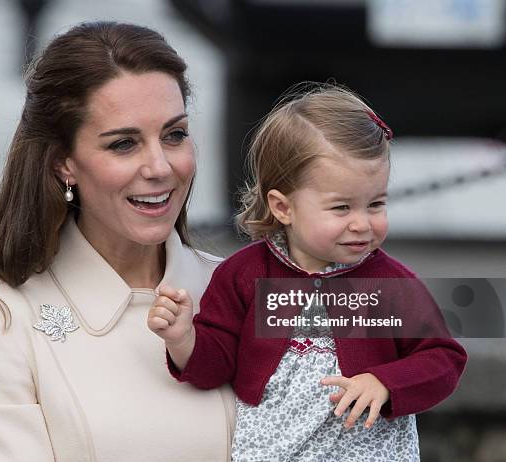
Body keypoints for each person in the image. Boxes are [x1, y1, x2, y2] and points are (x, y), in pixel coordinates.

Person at [0, 21, 235, 461]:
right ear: (63, 164)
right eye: (123, 144)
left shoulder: (243, 289)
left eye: (174, 135)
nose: (160, 166)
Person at [147, 84, 468, 461]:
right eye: (342, 207)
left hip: (367, 450)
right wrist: (183, 339)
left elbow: (443, 359)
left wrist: (385, 381)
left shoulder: (391, 285)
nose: (362, 224)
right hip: (273, 449)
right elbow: (216, 367)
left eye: (376, 204)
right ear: (283, 208)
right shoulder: (244, 276)